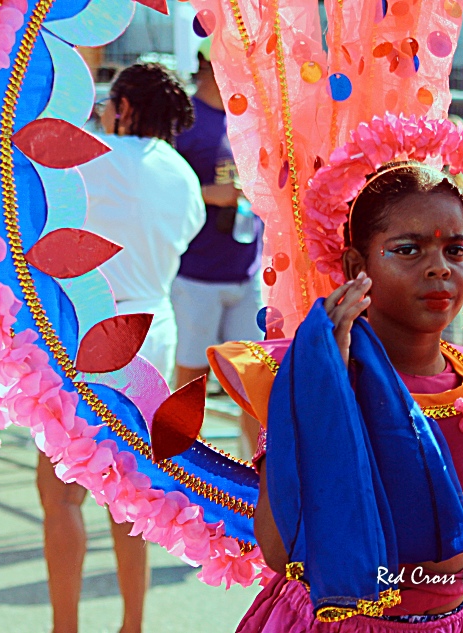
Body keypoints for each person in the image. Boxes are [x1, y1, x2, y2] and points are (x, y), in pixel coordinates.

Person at [211, 117, 463, 632]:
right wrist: (322, 386)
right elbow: (279, 546)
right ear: (358, 262)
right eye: (407, 249)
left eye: (456, 250)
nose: (439, 267)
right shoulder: (310, 377)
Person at [38, 62, 204, 633]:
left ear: (124, 106)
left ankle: (66, 627)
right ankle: (132, 625)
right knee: (131, 498)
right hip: (155, 338)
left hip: (85, 335)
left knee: (61, 495)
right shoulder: (184, 177)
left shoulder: (93, 158)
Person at [172, 41, 263, 453]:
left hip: (247, 270)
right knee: (192, 379)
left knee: (255, 379)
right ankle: (187, 473)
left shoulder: (251, 118)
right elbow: (166, 188)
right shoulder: (184, 119)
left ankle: (259, 474)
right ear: (209, 64)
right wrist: (212, 193)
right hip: (197, 273)